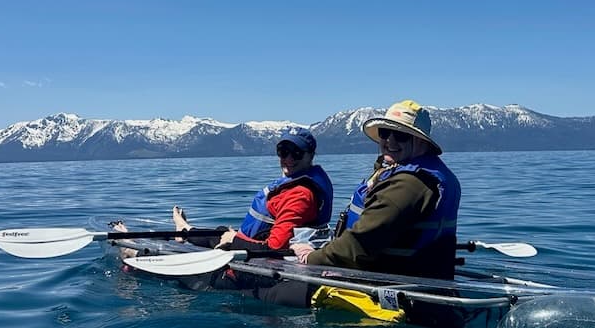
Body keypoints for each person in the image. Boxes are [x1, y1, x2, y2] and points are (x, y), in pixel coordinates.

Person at [291, 99, 460, 279]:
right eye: (385, 133)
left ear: (420, 142)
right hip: (418, 278)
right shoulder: (422, 173)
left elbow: (361, 242)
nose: (390, 141)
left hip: (391, 285)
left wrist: (311, 257)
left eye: (401, 135)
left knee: (274, 292)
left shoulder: (409, 184)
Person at [140, 126, 334, 256]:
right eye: (284, 152)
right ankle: (184, 230)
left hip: (262, 255)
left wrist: (235, 241)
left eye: (297, 153)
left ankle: (181, 233)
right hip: (253, 240)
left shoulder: (300, 195)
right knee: (220, 232)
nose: (289, 159)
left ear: (311, 155)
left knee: (224, 236)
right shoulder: (297, 184)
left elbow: (274, 247)